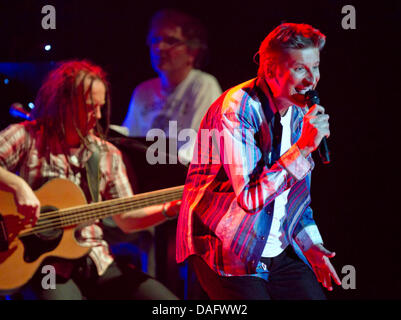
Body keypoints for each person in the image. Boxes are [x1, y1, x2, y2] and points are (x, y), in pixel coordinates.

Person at [176, 23, 342, 300]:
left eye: (316, 67)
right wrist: (302, 150)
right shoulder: (238, 109)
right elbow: (251, 199)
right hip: (226, 248)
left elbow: (294, 195)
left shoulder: (300, 111)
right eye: (300, 68)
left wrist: (312, 246)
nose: (311, 79)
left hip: (274, 246)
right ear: (269, 70)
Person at [0, 60, 180, 300]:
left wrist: (170, 208)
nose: (96, 116)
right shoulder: (26, 137)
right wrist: (18, 187)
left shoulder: (106, 154)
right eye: (88, 107)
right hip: (43, 267)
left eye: (100, 107)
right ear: (62, 104)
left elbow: (126, 220)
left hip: (97, 261)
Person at [122, 9, 222, 164]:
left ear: (192, 52)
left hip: (179, 175)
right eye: (155, 40)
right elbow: (128, 140)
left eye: (170, 41)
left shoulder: (203, 85)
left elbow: (200, 145)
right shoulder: (143, 91)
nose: (159, 47)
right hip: (147, 173)